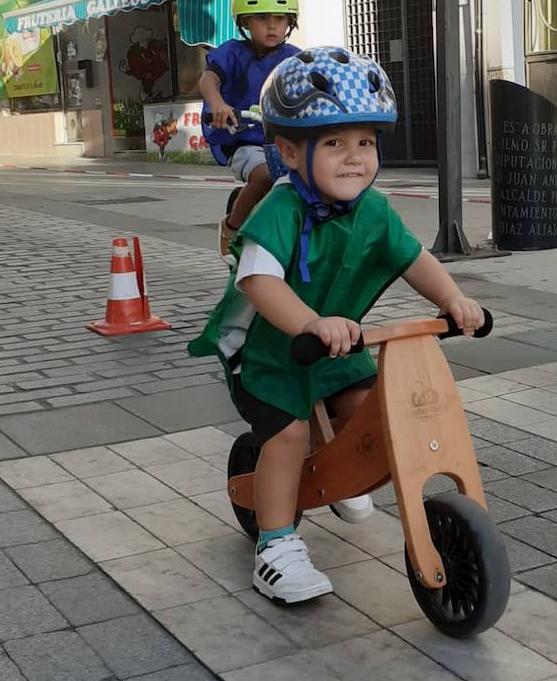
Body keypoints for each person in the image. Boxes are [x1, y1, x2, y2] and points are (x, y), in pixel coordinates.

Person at [189, 46, 484, 604]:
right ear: (288, 153)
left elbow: (412, 257)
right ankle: (276, 546)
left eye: (365, 143)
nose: (354, 158)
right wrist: (310, 322)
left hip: (336, 349)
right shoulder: (279, 210)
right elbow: (258, 280)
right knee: (287, 434)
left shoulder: (371, 209)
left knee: (372, 408)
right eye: (333, 143)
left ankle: (336, 472)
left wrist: (455, 298)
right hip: (271, 358)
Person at [199, 0, 300, 257]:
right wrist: (217, 103)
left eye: (280, 18)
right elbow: (208, 80)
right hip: (246, 139)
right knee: (266, 175)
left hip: (285, 141)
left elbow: (314, 80)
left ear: (290, 22)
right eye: (262, 18)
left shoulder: (294, 57)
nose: (272, 26)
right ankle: (232, 226)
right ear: (244, 21)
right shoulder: (231, 53)